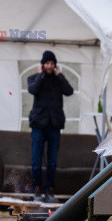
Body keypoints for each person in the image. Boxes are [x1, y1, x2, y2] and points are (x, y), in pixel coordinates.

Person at [28, 50, 74, 203]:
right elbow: (32, 90)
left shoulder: (58, 79)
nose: (49, 66)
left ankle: (49, 190)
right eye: (47, 63)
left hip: (54, 124)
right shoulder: (34, 78)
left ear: (55, 65)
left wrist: (60, 76)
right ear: (42, 65)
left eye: (52, 63)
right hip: (38, 124)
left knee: (52, 161)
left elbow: (69, 91)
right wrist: (41, 75)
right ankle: (37, 190)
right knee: (36, 160)